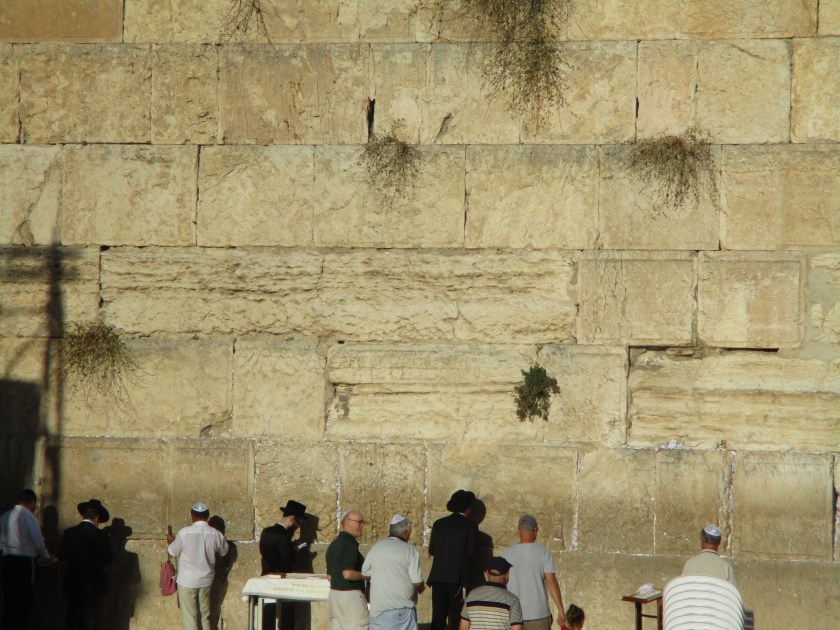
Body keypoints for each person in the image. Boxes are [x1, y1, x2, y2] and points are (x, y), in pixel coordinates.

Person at [166, 501, 230, 630]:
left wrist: (172, 541)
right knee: (204, 615)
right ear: (207, 516)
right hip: (206, 580)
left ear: (192, 516)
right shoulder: (215, 534)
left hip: (187, 581)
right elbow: (224, 551)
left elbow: (172, 551)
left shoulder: (184, 533)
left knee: (190, 617)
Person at [502, 515, 566, 629]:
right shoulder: (544, 553)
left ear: (518, 530)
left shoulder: (507, 554)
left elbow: (503, 582)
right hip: (539, 614)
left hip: (513, 615)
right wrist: (560, 610)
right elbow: (551, 582)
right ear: (536, 530)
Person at [361, 514, 425, 630]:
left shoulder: (376, 547)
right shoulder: (410, 550)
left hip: (378, 612)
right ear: (405, 533)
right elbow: (417, 582)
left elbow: (365, 573)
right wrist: (421, 588)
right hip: (402, 612)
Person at [59, 498, 114, 630]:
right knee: (89, 620)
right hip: (93, 587)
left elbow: (62, 556)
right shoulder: (102, 536)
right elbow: (109, 558)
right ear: (97, 518)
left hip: (73, 584)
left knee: (73, 619)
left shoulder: (69, 533)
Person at [428, 489, 479, 630]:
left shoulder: (439, 524)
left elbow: (432, 550)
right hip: (457, 578)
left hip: (438, 577)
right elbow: (471, 553)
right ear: (468, 508)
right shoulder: (470, 526)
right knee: (458, 617)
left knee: (438, 617)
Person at [0, 489, 50, 629]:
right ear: (32, 503)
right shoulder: (29, 518)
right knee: (24, 601)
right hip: (25, 562)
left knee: (9, 600)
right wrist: (46, 556)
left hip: (7, 560)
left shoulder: (4, 517)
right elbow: (39, 542)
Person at [260, 499, 308, 630]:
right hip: (281, 584)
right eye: (298, 524)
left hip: (266, 580)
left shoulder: (266, 532)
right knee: (285, 621)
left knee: (267, 621)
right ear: (293, 519)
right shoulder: (284, 535)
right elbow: (286, 560)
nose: (297, 527)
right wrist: (296, 550)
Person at [326, 510, 368, 630]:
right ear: (347, 522)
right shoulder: (350, 544)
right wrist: (366, 575)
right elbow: (348, 574)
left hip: (334, 596)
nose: (362, 526)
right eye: (359, 522)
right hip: (350, 598)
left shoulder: (333, 545)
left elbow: (329, 576)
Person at [459, 557, 523, 630]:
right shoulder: (512, 600)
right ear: (507, 575)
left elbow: (463, 627)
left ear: (486, 573)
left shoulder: (471, 596)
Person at [682, 524, 737, 588]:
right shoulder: (726, 567)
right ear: (719, 541)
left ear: (703, 540)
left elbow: (682, 589)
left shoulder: (689, 564)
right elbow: (732, 594)